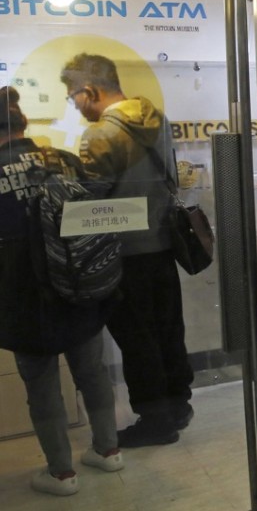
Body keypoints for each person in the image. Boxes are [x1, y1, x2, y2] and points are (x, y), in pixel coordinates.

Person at [61, 53, 194, 448]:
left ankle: (156, 421)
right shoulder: (159, 120)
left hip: (124, 255)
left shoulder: (100, 135)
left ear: (90, 91)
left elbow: (92, 203)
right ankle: (179, 405)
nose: (74, 105)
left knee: (137, 339)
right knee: (169, 329)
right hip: (163, 246)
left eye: (72, 97)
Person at [0, 86, 123, 496]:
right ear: (22, 123)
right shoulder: (64, 161)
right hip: (79, 287)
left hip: (21, 299)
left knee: (41, 384)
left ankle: (61, 474)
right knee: (91, 371)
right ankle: (108, 449)